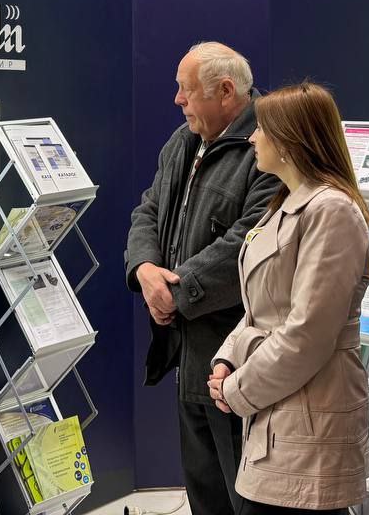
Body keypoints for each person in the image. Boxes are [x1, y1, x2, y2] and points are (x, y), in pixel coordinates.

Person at [125, 43, 280, 515]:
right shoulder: (183, 141)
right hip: (188, 354)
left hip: (238, 360)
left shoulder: (270, 144)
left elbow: (249, 241)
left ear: (226, 91)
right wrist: (144, 270)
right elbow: (148, 210)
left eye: (186, 90)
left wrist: (174, 292)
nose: (177, 100)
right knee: (205, 493)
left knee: (246, 497)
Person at [207, 81, 369, 514]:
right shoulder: (285, 205)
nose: (252, 137)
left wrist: (237, 389)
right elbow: (259, 308)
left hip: (310, 420)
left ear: (289, 141)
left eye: (261, 128)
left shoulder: (331, 211)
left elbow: (308, 333)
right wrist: (227, 359)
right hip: (278, 411)